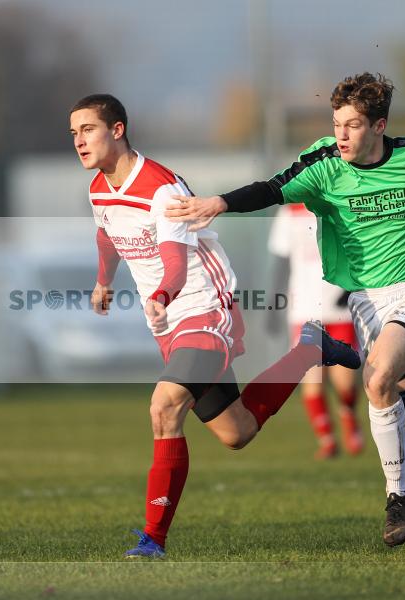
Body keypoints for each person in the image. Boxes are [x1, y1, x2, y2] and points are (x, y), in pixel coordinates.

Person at [165, 73, 405, 547]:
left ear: (379, 125)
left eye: (352, 125)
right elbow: (272, 189)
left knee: (375, 380)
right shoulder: (325, 165)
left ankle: (399, 498)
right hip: (368, 303)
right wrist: (219, 202)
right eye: (336, 124)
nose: (342, 136)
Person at [68, 94, 361, 558]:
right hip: (169, 323)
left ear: (117, 130)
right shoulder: (99, 188)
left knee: (164, 408)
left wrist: (162, 296)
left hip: (203, 307)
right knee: (236, 431)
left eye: (88, 130)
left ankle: (152, 539)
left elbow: (177, 267)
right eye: (74, 134)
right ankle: (310, 348)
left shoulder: (161, 189)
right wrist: (104, 282)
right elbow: (106, 235)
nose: (79, 141)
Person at [267, 204, 364, 459]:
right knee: (312, 380)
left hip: (338, 307)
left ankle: (349, 416)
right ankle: (328, 441)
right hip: (304, 308)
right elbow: (280, 262)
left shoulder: (336, 204)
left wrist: (350, 290)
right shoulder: (289, 212)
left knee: (344, 380)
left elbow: (358, 252)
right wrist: (273, 307)